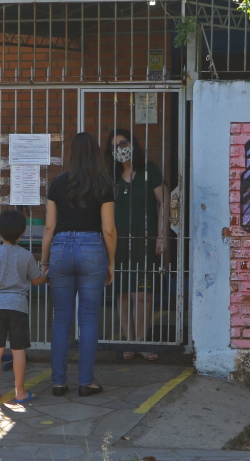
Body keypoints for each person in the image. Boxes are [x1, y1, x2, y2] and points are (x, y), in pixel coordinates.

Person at [41, 132, 117, 397]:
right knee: (88, 318)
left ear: (72, 154)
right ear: (96, 153)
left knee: (61, 319)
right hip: (91, 248)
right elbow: (108, 230)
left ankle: (58, 383)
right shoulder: (103, 184)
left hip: (60, 248)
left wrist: (45, 262)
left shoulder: (58, 182)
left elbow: (49, 227)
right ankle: (86, 382)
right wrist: (110, 262)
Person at [105, 129, 169, 361]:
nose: (120, 149)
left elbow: (165, 201)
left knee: (143, 295)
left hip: (145, 243)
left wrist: (162, 235)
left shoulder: (149, 170)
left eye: (123, 143)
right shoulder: (110, 177)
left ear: (133, 143)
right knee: (122, 295)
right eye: (115, 146)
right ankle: (128, 342)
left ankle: (142, 342)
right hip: (117, 243)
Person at [0, 210, 47, 404]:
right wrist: (46, 275)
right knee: (18, 350)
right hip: (19, 307)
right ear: (22, 233)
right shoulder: (26, 255)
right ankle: (20, 392)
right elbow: (36, 280)